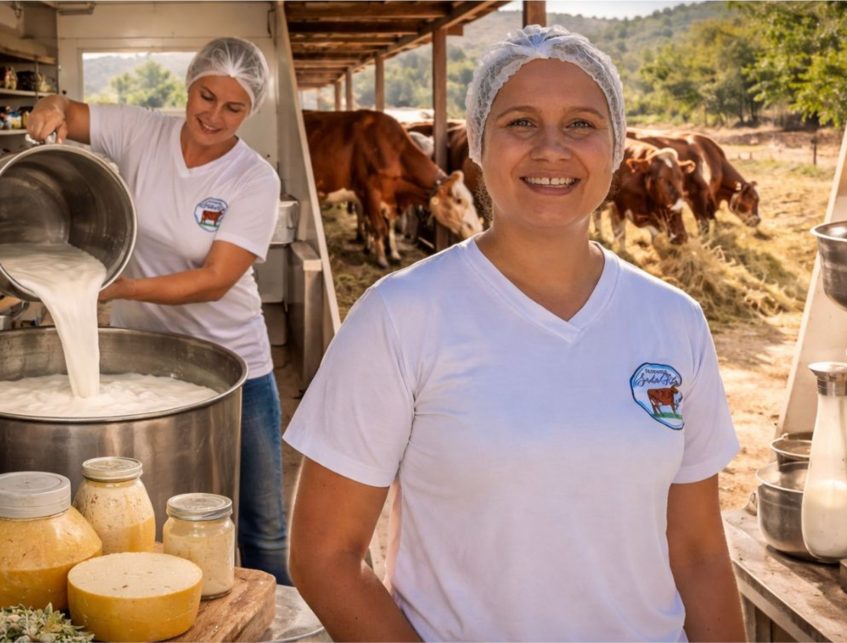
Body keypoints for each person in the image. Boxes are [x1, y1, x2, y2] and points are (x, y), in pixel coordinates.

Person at [284, 25, 744, 641]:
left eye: (581, 123)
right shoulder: (400, 315)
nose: (551, 148)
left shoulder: (674, 320)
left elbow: (699, 553)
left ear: (616, 146)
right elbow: (324, 555)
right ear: (475, 142)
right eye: (520, 122)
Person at [26, 37, 292, 585]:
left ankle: (275, 613)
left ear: (251, 111)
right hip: (144, 361)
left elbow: (215, 280)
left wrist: (120, 289)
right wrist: (50, 107)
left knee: (262, 526)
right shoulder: (141, 131)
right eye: (206, 96)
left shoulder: (252, 178)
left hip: (234, 367)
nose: (213, 116)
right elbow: (67, 110)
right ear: (190, 86)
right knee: (154, 517)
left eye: (233, 107)